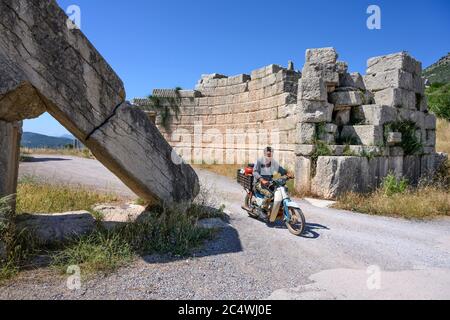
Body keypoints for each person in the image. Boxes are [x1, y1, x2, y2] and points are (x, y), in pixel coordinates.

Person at [253, 147, 292, 219]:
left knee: (284, 188)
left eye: (270, 154)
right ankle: (262, 209)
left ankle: (279, 207)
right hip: (259, 182)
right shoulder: (259, 161)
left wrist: (287, 173)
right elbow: (254, 172)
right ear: (264, 153)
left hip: (269, 182)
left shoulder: (272, 162)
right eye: (268, 154)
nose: (269, 155)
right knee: (270, 194)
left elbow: (280, 169)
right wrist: (262, 179)